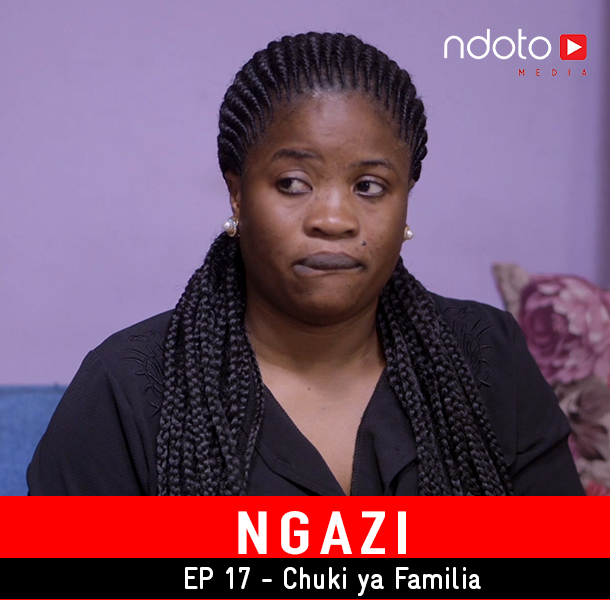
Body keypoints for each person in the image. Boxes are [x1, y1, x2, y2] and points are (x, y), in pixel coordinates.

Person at [28, 32, 584, 496]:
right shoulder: (125, 389)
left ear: (406, 201)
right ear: (237, 195)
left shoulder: (487, 358)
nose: (334, 219)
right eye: (293, 183)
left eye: (370, 186)